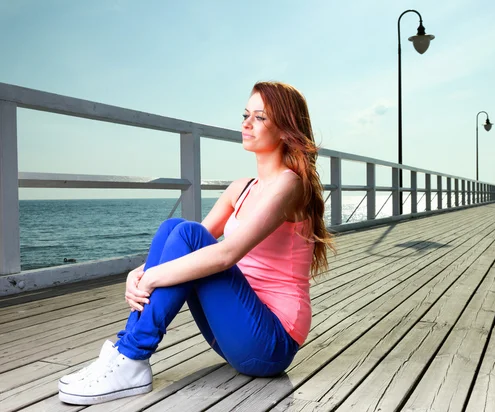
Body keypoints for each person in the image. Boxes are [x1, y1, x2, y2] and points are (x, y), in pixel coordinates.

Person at [57, 82, 335, 405]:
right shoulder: (241, 188)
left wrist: (152, 277)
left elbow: (224, 253)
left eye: (260, 117)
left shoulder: (291, 185)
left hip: (271, 341)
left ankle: (131, 357)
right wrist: (141, 271)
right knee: (173, 227)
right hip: (233, 333)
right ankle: (126, 353)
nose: (246, 123)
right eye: (245, 114)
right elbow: (181, 243)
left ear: (287, 128)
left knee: (189, 235)